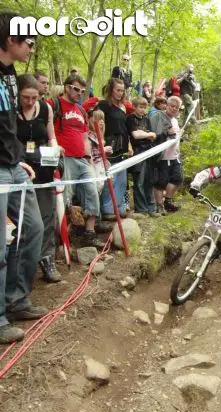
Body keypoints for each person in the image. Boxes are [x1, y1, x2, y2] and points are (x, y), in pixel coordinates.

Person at [0, 11, 48, 344]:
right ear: (10, 39)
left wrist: (18, 157)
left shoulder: (12, 75)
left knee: (33, 228)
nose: (31, 47)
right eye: (28, 41)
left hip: (14, 166)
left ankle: (16, 299)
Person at [47, 74, 103, 248]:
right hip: (65, 158)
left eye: (82, 91)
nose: (79, 93)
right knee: (65, 197)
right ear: (67, 87)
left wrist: (89, 158)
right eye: (76, 89)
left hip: (82, 159)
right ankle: (59, 237)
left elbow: (85, 136)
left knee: (92, 191)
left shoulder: (81, 111)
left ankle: (90, 233)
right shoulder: (53, 104)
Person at [16, 74, 61, 283]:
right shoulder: (10, 111)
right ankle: (22, 262)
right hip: (19, 167)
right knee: (22, 219)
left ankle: (46, 258)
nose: (30, 102)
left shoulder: (45, 108)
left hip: (43, 166)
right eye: (26, 97)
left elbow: (51, 135)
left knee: (47, 215)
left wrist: (55, 148)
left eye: (34, 97)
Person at [96, 78, 130, 219]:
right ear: (111, 90)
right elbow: (98, 124)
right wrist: (101, 142)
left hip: (122, 145)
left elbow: (125, 128)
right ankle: (108, 209)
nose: (120, 93)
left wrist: (129, 145)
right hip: (110, 144)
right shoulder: (103, 105)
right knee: (111, 178)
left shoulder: (123, 107)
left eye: (122, 91)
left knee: (122, 179)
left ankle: (120, 207)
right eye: (118, 90)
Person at [126, 96, 159, 217]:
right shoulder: (130, 118)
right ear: (134, 107)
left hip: (149, 150)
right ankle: (141, 208)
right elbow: (135, 135)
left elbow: (153, 135)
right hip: (137, 151)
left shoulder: (146, 118)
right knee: (139, 181)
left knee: (149, 180)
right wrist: (148, 134)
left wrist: (146, 134)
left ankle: (151, 208)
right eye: (140, 107)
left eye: (144, 107)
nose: (143, 110)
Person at [150, 96, 182, 215]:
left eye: (176, 107)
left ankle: (167, 201)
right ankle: (159, 206)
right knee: (160, 182)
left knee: (177, 178)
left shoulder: (175, 119)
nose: (174, 109)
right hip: (162, 156)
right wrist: (166, 132)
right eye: (172, 106)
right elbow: (154, 133)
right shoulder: (159, 117)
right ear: (166, 106)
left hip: (174, 155)